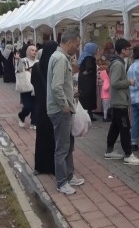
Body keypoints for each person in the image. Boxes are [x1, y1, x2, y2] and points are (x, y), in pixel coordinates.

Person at [46, 31, 84, 194]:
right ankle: (62, 182)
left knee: (68, 145)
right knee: (62, 148)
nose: (77, 48)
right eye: (76, 45)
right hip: (60, 110)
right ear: (69, 43)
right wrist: (64, 104)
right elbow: (56, 86)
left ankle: (68, 176)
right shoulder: (60, 59)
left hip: (62, 108)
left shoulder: (60, 57)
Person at [104, 38, 139, 166]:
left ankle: (109, 151)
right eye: (128, 49)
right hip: (119, 101)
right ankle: (128, 154)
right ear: (123, 50)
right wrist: (129, 82)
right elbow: (115, 83)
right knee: (125, 128)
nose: (130, 51)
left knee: (115, 127)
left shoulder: (117, 62)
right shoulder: (118, 64)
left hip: (118, 100)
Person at [31, 40, 58, 175]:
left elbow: (32, 82)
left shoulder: (36, 67)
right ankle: (53, 166)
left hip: (40, 107)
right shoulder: (55, 67)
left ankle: (39, 166)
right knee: (54, 137)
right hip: (54, 106)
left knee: (41, 137)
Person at [78, 42, 99, 122]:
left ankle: (88, 115)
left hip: (84, 81)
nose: (97, 51)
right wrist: (88, 72)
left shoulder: (84, 56)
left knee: (85, 98)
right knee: (88, 98)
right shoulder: (89, 57)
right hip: (88, 82)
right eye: (96, 49)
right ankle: (87, 116)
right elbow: (89, 67)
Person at [17, 45, 38, 129]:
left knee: (36, 106)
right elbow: (19, 71)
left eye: (35, 50)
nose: (34, 52)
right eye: (32, 50)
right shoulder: (24, 61)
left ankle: (34, 122)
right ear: (28, 51)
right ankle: (21, 115)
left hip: (36, 86)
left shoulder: (38, 61)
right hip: (26, 87)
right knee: (28, 106)